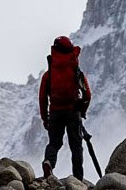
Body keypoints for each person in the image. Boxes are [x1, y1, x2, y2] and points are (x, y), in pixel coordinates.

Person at [39, 36, 92, 180]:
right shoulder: (76, 71)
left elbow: (43, 98)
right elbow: (87, 94)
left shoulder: (48, 75)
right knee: (76, 147)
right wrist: (83, 111)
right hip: (73, 112)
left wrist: (45, 118)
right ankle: (78, 179)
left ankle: (49, 163)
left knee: (54, 143)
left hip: (55, 113)